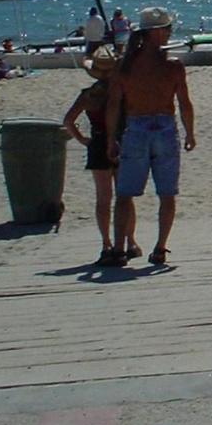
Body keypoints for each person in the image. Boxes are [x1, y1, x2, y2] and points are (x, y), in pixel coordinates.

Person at [107, 7, 195, 268]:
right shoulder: (172, 65)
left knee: (125, 194)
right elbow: (184, 103)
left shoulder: (126, 65)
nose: (169, 34)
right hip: (164, 128)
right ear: (157, 32)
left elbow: (114, 104)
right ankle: (159, 247)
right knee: (166, 194)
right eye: (167, 29)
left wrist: (111, 137)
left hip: (136, 127)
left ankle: (120, 249)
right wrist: (190, 132)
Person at [64, 48, 139, 266]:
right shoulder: (122, 92)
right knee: (125, 197)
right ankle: (130, 241)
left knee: (103, 198)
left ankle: (107, 243)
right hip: (121, 142)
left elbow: (68, 121)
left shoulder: (89, 94)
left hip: (97, 143)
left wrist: (82, 139)